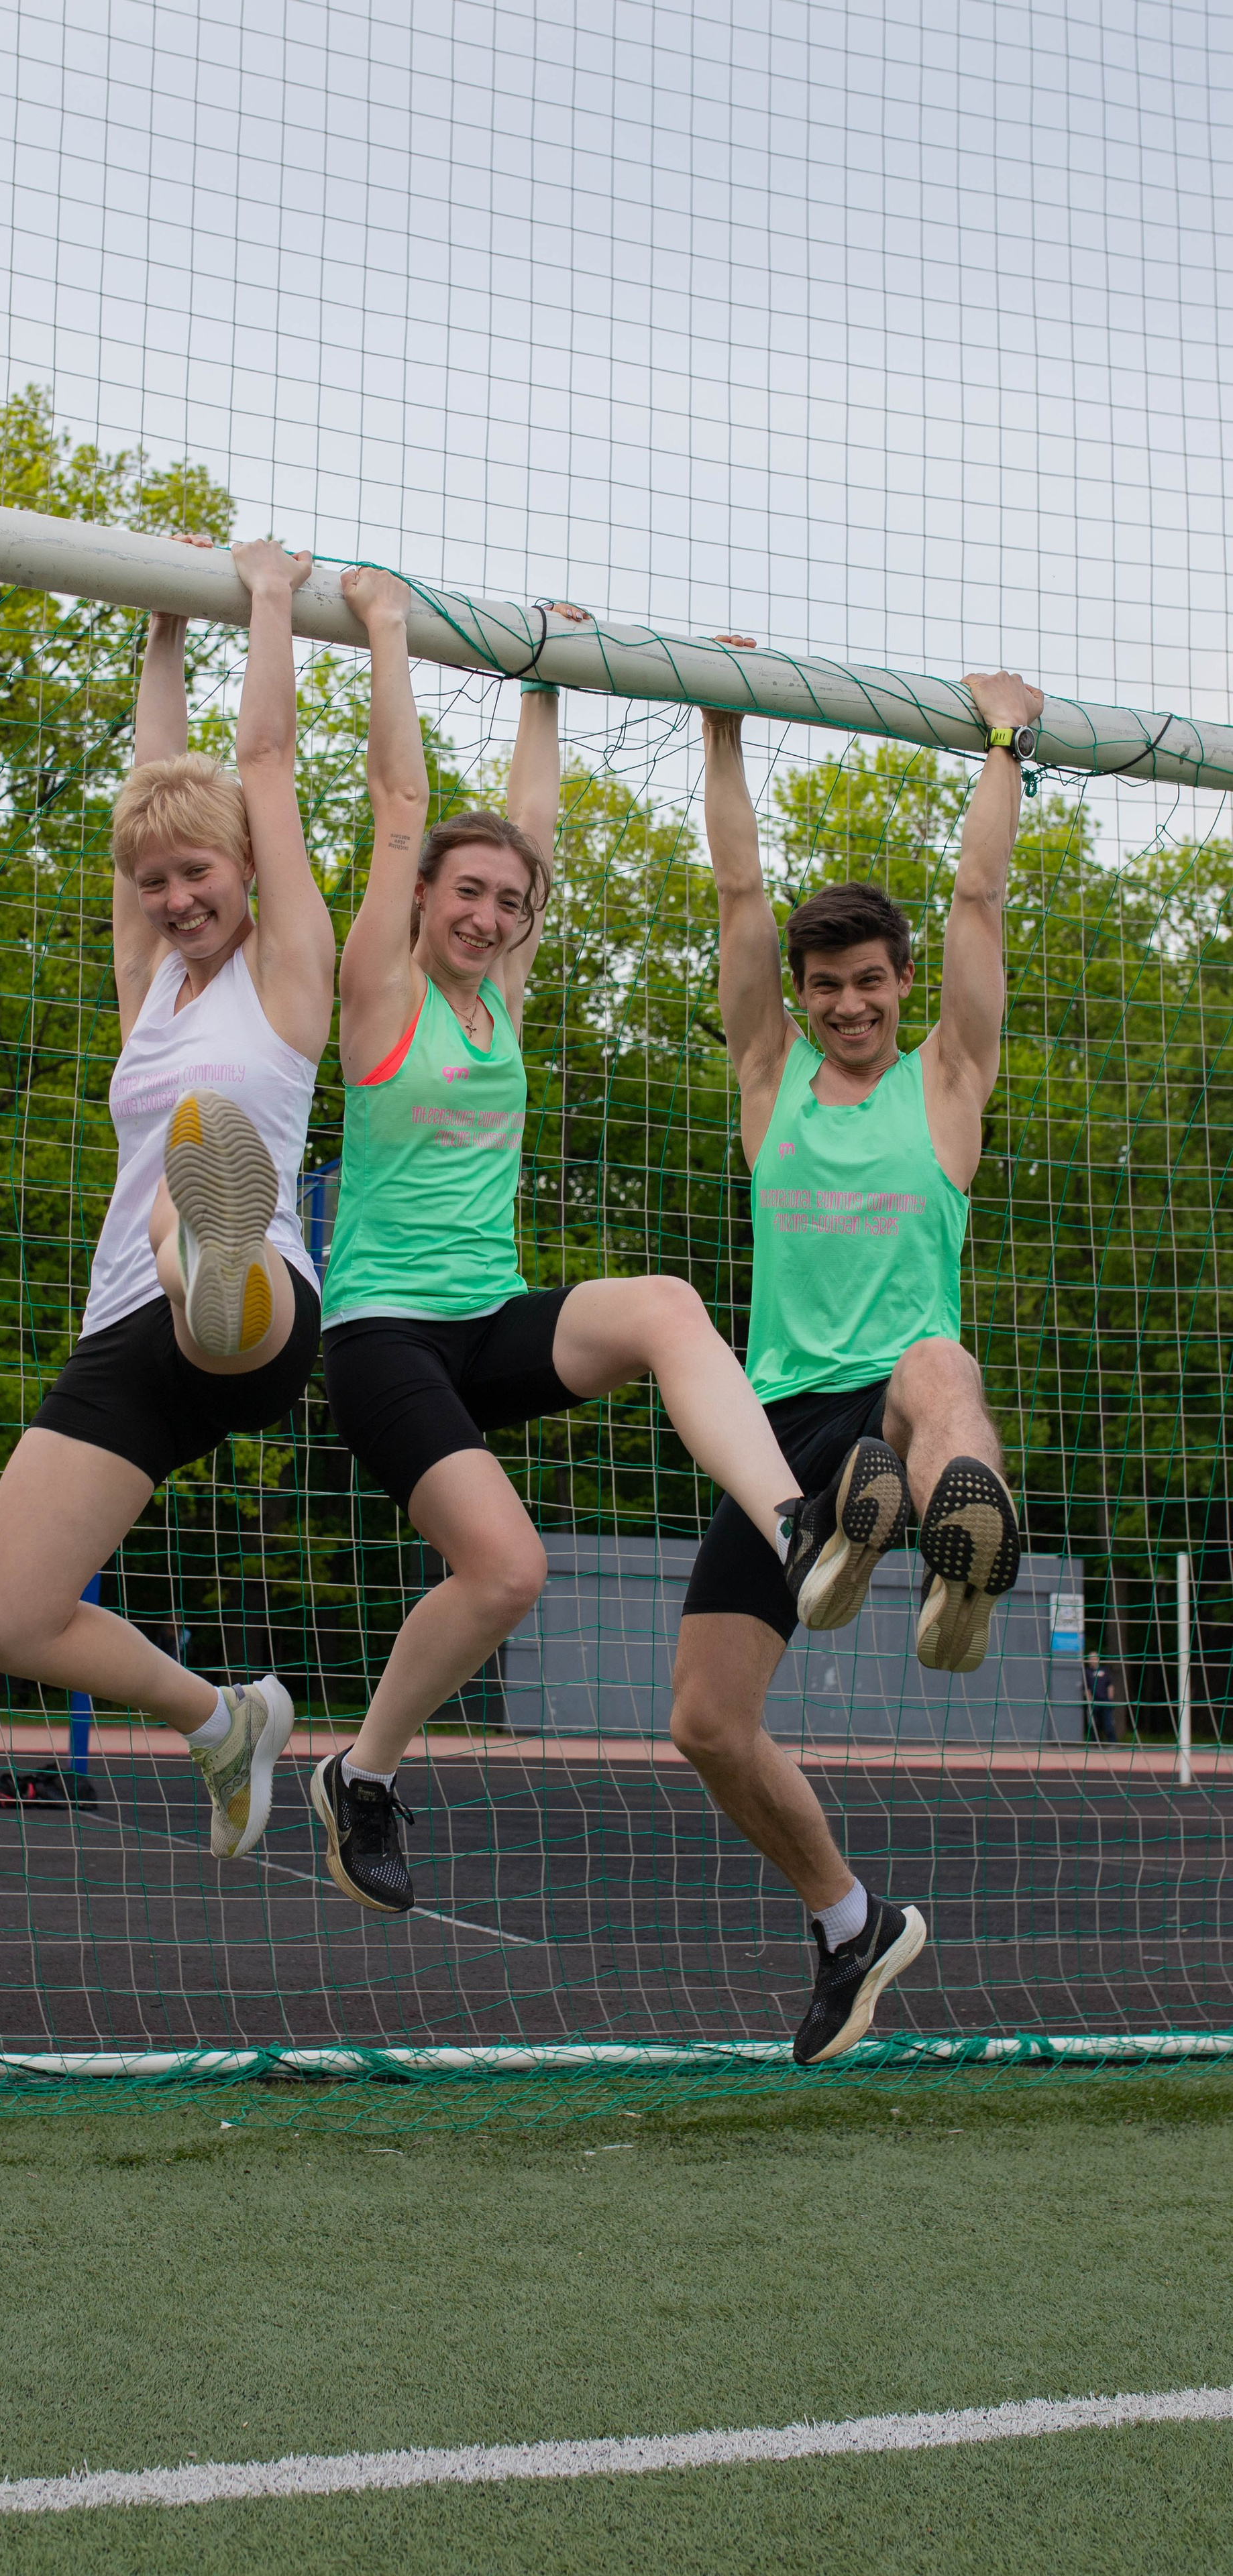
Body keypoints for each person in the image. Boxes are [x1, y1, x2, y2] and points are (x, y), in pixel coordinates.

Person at [308, 569, 872, 1925]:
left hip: (487, 1319)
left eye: (509, 901)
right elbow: (398, 809)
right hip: (380, 1334)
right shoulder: (378, 988)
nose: (491, 916)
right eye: (468, 894)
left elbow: (531, 823)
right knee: (506, 1570)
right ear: (422, 898)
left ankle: (790, 1524)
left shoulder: (499, 995)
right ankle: (361, 1776)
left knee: (668, 1304)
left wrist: (545, 679)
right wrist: (388, 635)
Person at [682, 654, 1044, 2064]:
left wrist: (1002, 742)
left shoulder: (944, 1085)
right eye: (824, 984)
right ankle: (849, 1926)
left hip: (898, 1392)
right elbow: (733, 901)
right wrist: (719, 731)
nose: (845, 1004)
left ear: (902, 987)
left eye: (867, 983)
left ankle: (952, 1560)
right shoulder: (767, 1082)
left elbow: (976, 899)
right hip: (776, 1433)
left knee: (938, 1359)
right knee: (705, 1723)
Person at [0, 538, 334, 1862]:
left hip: (257, 1313)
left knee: (198, 1168)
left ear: (245, 867)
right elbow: (146, 778)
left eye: (199, 873)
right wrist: (166, 622)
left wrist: (271, 604)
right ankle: (224, 1719)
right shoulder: (150, 989)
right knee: (0, 1614)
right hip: (129, 1330)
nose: (177, 898)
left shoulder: (287, 976)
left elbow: (268, 770)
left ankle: (208, 1250)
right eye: (154, 882)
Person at [1083, 1648, 1118, 1745]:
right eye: (1090, 1658)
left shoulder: (1104, 1670)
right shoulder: (1087, 1672)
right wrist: (1090, 1700)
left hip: (1105, 1701)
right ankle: (1095, 1743)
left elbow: (1110, 1685)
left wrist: (1110, 1699)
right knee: (1093, 1724)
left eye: (1094, 1658)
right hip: (1094, 1702)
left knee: (1108, 1723)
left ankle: (1112, 1743)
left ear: (1098, 1659)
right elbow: (1086, 1688)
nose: (1092, 1660)